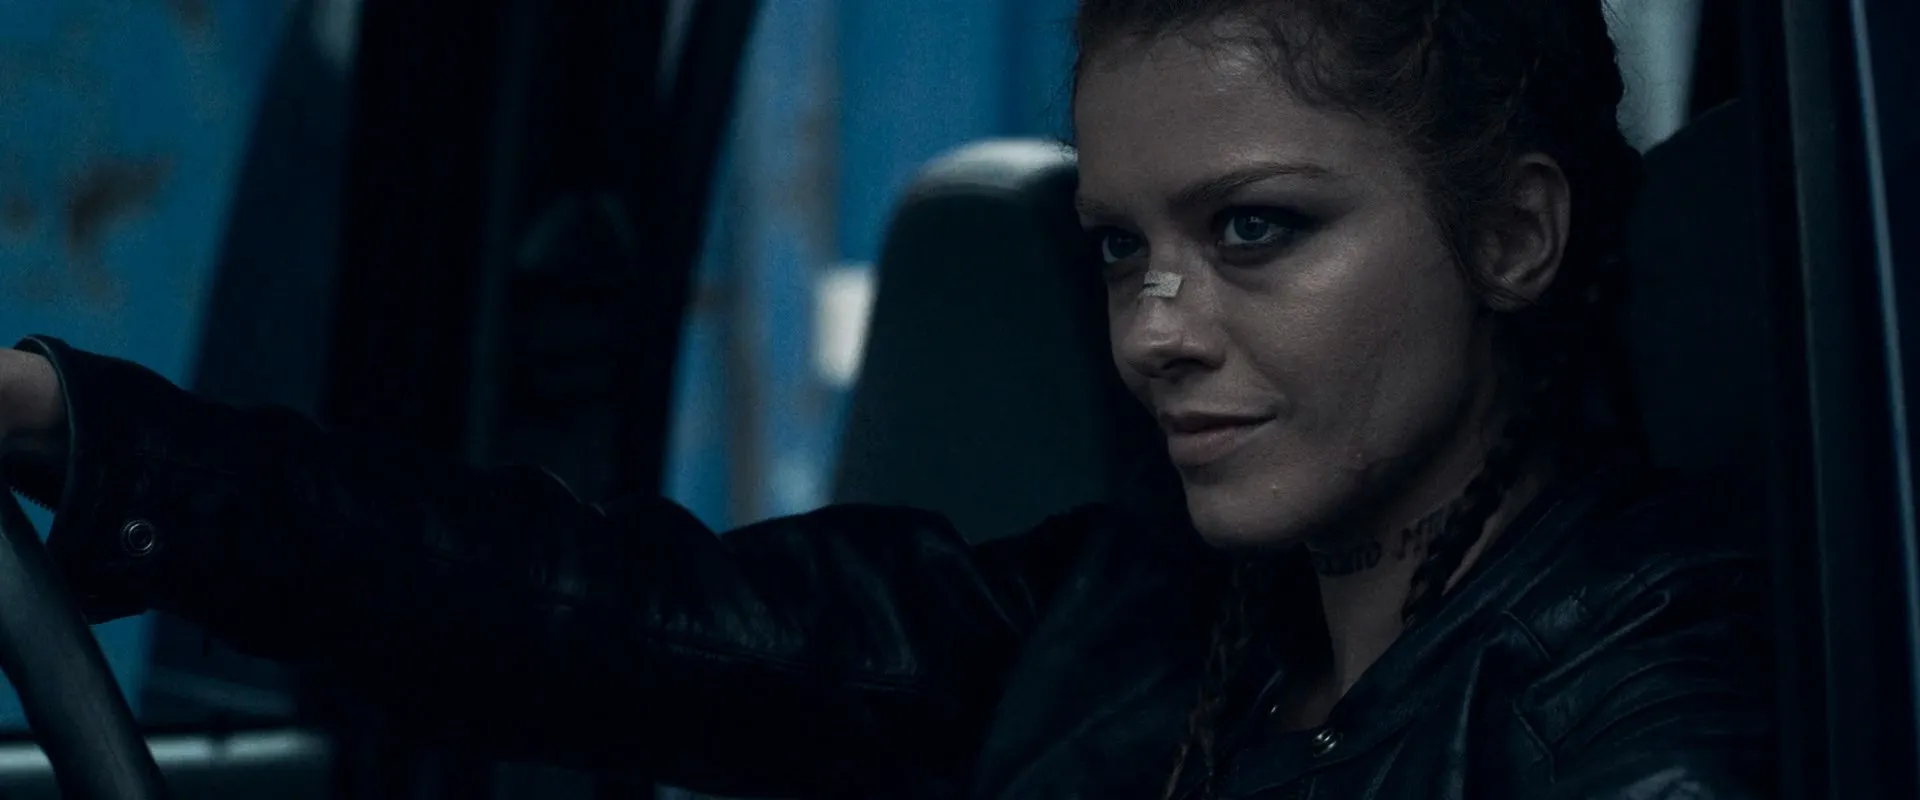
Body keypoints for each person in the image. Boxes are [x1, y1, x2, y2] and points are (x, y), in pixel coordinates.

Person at [0, 0, 1771, 797]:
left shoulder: (1639, 718)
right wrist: (73, 433)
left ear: (1514, 234)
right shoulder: (1148, 622)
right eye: (1120, 249)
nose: (1155, 331)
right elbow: (607, 612)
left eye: (1255, 230)